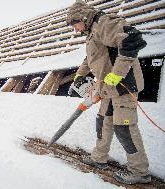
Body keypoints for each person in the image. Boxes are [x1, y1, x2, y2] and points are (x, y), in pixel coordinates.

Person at [67, 0, 150, 185]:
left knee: (124, 128)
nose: (76, 30)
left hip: (123, 86)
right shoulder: (91, 31)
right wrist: (79, 75)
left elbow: (132, 39)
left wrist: (116, 75)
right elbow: (91, 58)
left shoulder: (103, 23)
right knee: (103, 122)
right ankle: (99, 158)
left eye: (75, 25)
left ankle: (140, 172)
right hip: (107, 88)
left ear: (81, 17)